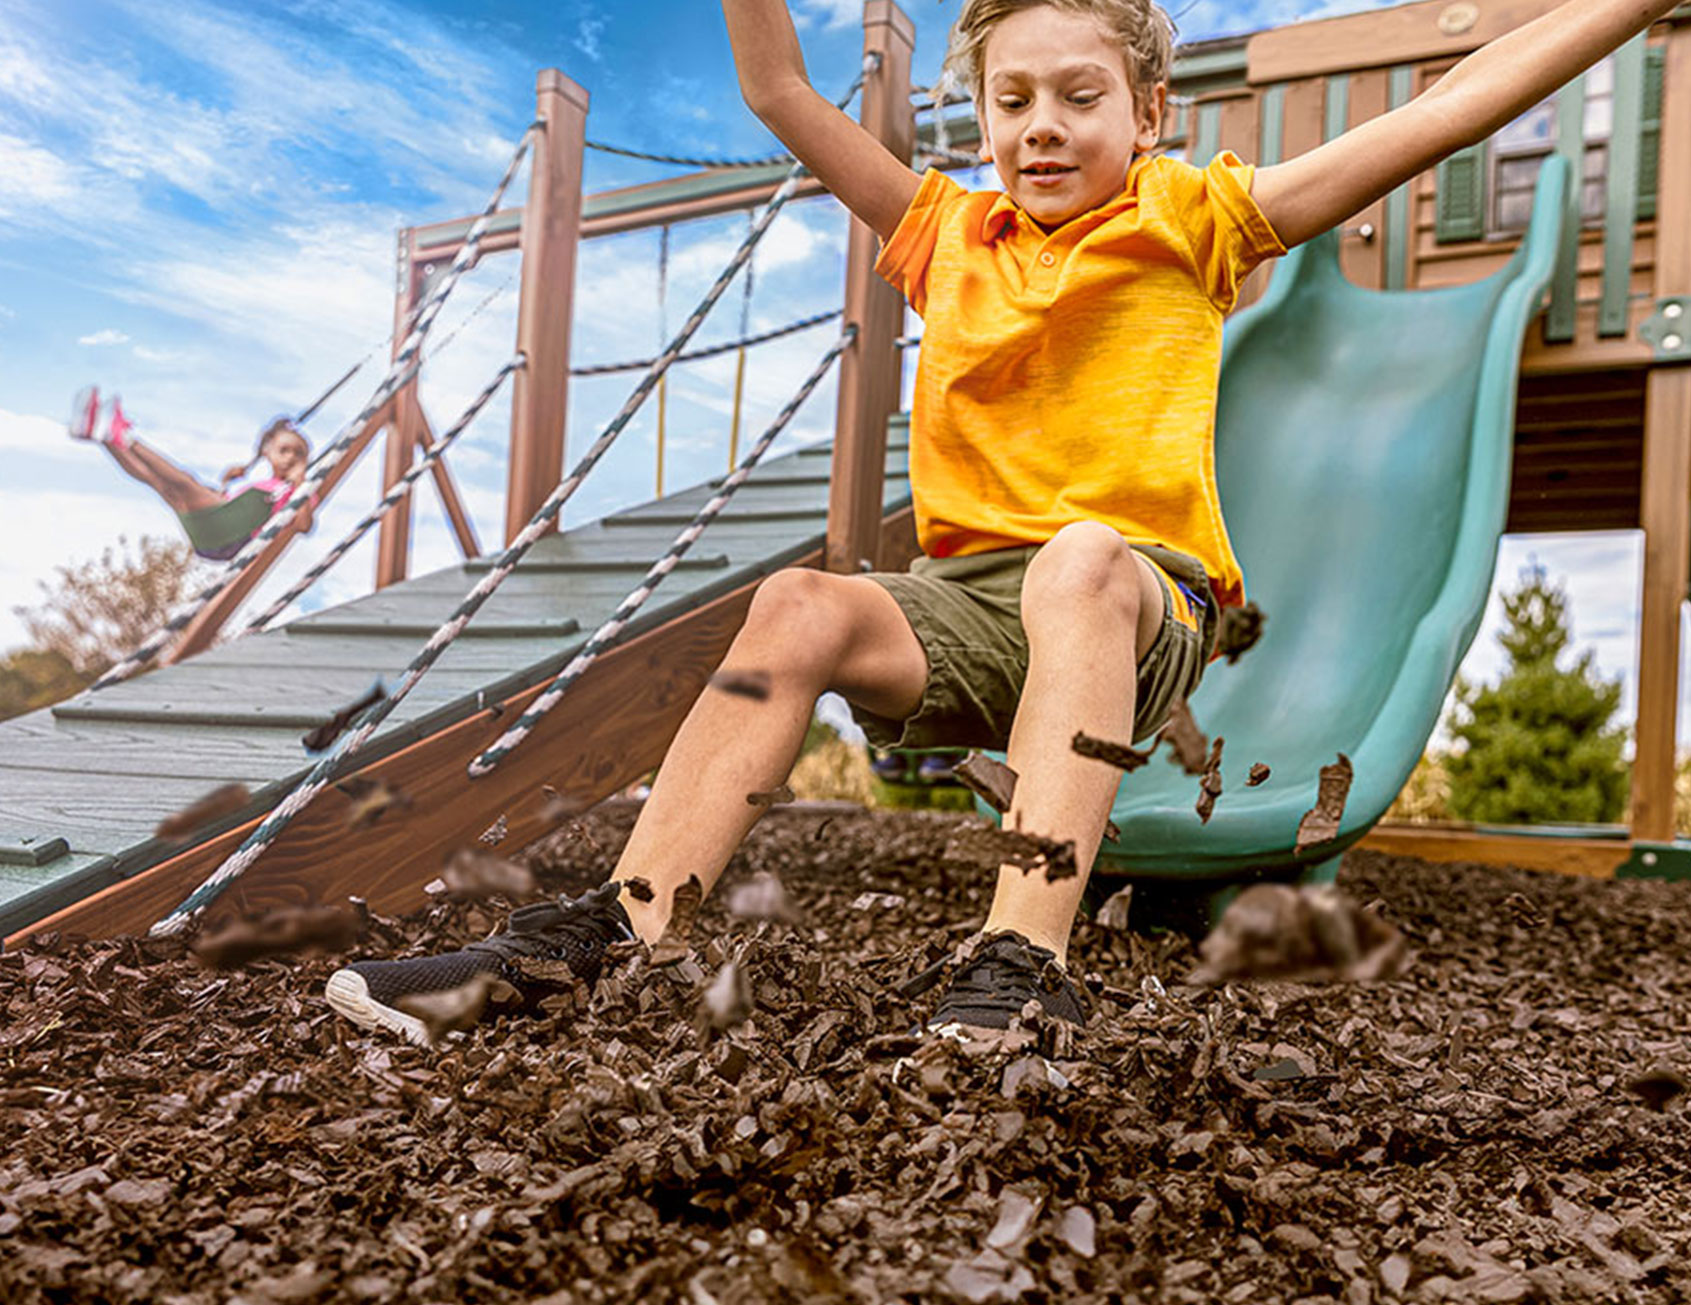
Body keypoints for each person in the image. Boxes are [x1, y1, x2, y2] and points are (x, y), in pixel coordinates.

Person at [325, 0, 1679, 1047]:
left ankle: (1019, 960)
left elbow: (1441, 115)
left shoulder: (1194, 221)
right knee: (797, 601)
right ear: (978, 121)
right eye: (1011, 100)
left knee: (1082, 556)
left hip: (1137, 601)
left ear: (1143, 110)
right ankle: (629, 936)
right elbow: (777, 88)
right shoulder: (940, 232)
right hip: (975, 618)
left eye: (1077, 97)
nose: (1041, 125)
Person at [70, 389, 315, 561]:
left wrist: (301, 482)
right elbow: (228, 500)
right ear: (267, 453)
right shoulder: (264, 483)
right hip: (213, 533)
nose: (292, 457)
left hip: (230, 534)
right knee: (162, 484)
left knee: (185, 482)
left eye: (300, 454)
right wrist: (228, 483)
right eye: (284, 450)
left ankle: (124, 437)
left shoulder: (297, 490)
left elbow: (303, 525)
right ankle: (102, 437)